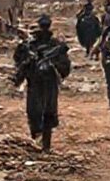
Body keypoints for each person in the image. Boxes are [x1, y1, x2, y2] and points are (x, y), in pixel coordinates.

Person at [12, 15, 71, 152]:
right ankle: (36, 138)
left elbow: (65, 66)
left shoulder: (56, 45)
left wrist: (53, 65)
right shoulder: (29, 46)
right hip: (34, 82)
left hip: (49, 83)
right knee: (34, 112)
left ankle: (46, 145)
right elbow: (18, 61)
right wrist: (28, 63)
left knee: (48, 114)